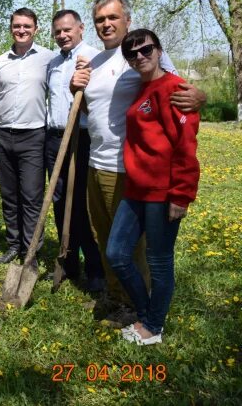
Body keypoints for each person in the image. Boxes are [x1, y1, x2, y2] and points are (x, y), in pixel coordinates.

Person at [70, 0, 205, 320]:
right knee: (105, 239)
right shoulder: (95, 62)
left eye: (113, 18)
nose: (106, 25)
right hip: (95, 162)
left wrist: (201, 97)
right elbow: (94, 111)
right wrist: (77, 87)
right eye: (101, 20)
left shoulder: (140, 53)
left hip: (126, 168)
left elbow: (177, 89)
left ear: (127, 20)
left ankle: (137, 306)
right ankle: (116, 296)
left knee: (131, 247)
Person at [104, 29, 200, 345]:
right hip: (136, 190)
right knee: (117, 253)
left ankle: (153, 327)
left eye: (146, 50)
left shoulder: (173, 89)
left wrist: (182, 195)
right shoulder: (142, 88)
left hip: (163, 194)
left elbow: (186, 146)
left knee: (159, 262)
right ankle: (147, 312)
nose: (140, 57)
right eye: (132, 54)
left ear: (159, 50)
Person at [0, 8, 55, 265]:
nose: (21, 30)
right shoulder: (1, 61)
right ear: (11, 28)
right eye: (17, 26)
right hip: (3, 136)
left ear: (36, 28)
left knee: (31, 196)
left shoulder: (48, 59)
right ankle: (13, 244)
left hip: (33, 136)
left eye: (27, 26)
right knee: (9, 195)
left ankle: (31, 251)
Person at [45, 9, 105, 291]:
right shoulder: (54, 63)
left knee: (82, 204)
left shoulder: (93, 58)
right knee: (59, 202)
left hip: (82, 138)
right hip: (55, 137)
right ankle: (68, 263)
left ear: (81, 28)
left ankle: (96, 268)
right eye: (57, 31)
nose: (62, 35)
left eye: (67, 30)